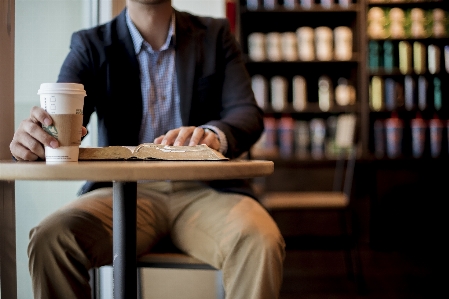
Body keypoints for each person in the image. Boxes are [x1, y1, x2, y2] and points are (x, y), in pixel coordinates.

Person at [10, 0, 285, 298]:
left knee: (261, 241)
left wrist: (212, 135)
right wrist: (37, 138)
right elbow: (59, 118)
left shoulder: (215, 33)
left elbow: (247, 113)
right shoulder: (91, 44)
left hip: (206, 192)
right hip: (122, 192)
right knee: (51, 240)